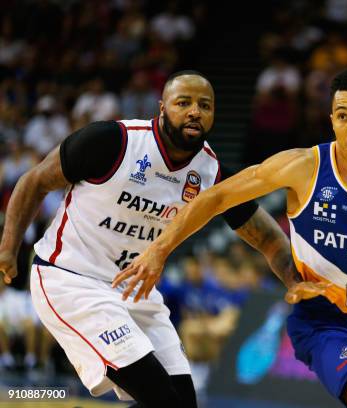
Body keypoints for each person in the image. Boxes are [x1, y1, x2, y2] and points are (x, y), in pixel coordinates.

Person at [113, 67, 347, 407]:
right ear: (332, 120)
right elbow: (216, 196)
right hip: (319, 317)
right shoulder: (304, 167)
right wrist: (160, 249)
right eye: (342, 116)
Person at [0, 70, 323, 407]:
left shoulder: (212, 174)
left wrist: (292, 280)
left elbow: (269, 238)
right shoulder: (113, 141)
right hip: (71, 278)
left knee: (182, 402)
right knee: (160, 398)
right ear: (162, 108)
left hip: (134, 290)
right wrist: (8, 249)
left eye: (205, 105)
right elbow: (34, 181)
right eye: (183, 102)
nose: (195, 111)